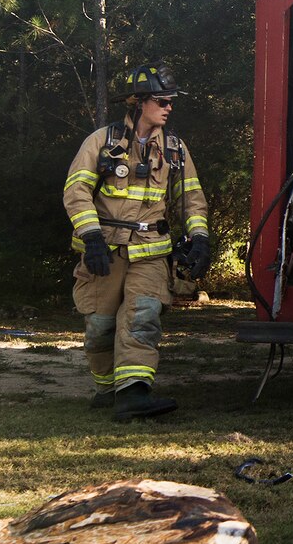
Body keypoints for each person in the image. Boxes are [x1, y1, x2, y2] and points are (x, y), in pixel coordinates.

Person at [61, 63, 210, 420]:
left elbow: (191, 198)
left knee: (142, 317)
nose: (169, 106)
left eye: (171, 101)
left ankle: (134, 394)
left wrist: (200, 238)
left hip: (151, 253)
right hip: (105, 252)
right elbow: (76, 191)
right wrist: (91, 237)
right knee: (100, 327)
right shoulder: (101, 142)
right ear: (138, 102)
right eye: (161, 100)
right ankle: (108, 388)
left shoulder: (175, 149)